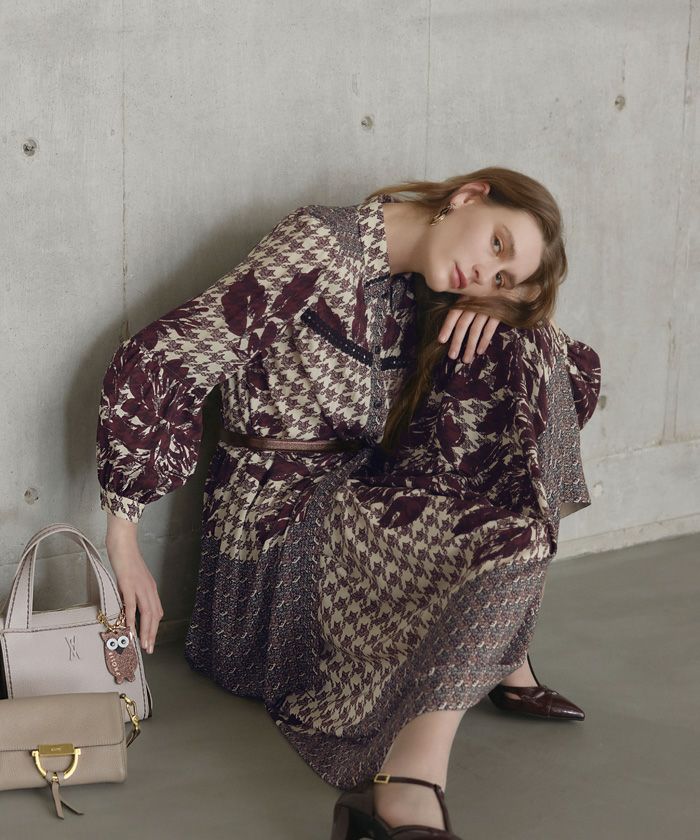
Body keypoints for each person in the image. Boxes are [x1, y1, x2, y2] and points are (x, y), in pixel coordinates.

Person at [96, 167, 601, 839]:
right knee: (512, 537)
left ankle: (470, 697)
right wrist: (124, 538)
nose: (484, 271)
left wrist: (507, 307)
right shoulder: (319, 245)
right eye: (497, 244)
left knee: (530, 354)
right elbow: (167, 359)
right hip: (279, 522)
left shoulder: (429, 286)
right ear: (469, 196)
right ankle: (409, 786)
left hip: (367, 494)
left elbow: (572, 374)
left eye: (502, 275)